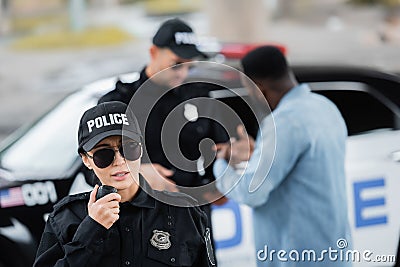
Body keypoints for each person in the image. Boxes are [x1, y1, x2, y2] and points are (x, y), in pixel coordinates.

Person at [213, 46, 352, 266]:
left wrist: (221, 163)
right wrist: (259, 151)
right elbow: (299, 166)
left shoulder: (283, 123)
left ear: (259, 88)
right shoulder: (326, 108)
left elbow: (252, 193)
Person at [98, 17, 228, 252]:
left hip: (193, 226)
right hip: (138, 229)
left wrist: (221, 181)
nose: (184, 72)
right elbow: (92, 169)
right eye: (176, 63)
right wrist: (137, 172)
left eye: (190, 65)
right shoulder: (118, 103)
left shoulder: (200, 98)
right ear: (153, 52)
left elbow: (221, 152)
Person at [33, 101, 216, 267]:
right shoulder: (65, 219)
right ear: (86, 160)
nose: (120, 161)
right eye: (103, 154)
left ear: (141, 148)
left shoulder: (183, 211)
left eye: (129, 148)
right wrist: (91, 230)